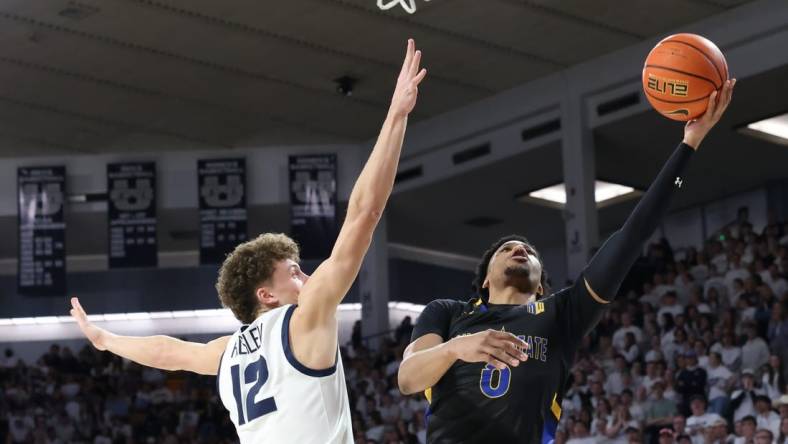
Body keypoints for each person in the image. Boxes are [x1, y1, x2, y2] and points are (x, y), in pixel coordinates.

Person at [69, 39, 428, 444]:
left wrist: (105, 340)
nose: (307, 277)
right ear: (266, 294)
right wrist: (397, 115)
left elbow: (168, 352)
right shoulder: (304, 318)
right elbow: (365, 214)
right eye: (294, 272)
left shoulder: (227, 353)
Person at [397, 80, 736, 442]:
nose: (519, 250)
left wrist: (690, 144)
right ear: (484, 281)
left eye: (529, 252)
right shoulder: (447, 313)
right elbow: (408, 379)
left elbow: (633, 234)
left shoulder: (563, 314)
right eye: (506, 249)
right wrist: (454, 347)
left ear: (541, 284)